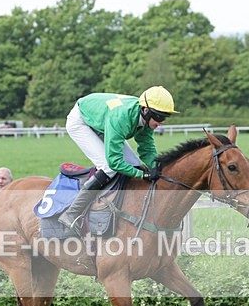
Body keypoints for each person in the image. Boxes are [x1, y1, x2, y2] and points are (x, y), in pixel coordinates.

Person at [58, 86, 178, 234]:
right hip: (81, 121)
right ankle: (71, 214)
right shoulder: (122, 118)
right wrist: (143, 175)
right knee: (108, 167)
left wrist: (157, 168)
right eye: (159, 117)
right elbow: (114, 162)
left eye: (165, 117)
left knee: (135, 164)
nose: (161, 122)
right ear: (146, 110)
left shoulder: (145, 118)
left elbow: (146, 149)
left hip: (103, 120)